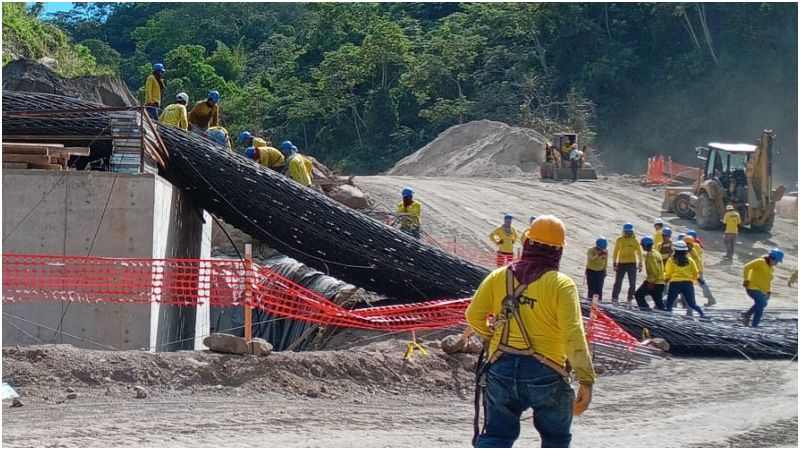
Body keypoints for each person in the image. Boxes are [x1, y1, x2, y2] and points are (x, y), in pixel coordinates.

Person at [466, 215, 595, 448]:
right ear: (558, 251)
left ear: (527, 243)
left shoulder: (499, 276)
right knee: (556, 439)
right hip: (547, 372)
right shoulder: (562, 285)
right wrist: (586, 379)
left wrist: (490, 337)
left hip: (501, 367)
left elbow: (473, 315)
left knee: (496, 436)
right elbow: (572, 334)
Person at [741, 248, 783, 327]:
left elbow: (767, 281)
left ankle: (753, 324)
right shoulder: (760, 261)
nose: (776, 263)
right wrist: (746, 279)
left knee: (761, 306)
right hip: (752, 288)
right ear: (771, 257)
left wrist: (768, 292)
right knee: (762, 303)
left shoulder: (771, 268)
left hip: (763, 291)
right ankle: (748, 317)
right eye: (776, 261)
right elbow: (746, 267)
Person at [664, 240, 704, 317]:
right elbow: (695, 274)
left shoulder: (671, 260)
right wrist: (700, 281)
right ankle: (702, 315)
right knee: (692, 304)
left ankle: (668, 319)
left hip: (675, 284)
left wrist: (664, 281)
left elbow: (668, 274)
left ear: (675, 250)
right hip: (687, 284)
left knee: (669, 304)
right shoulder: (690, 260)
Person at [611, 222, 642, 303]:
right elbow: (615, 252)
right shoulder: (619, 240)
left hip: (632, 264)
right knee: (618, 282)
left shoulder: (634, 241)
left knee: (632, 283)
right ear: (624, 231)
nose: (628, 233)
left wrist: (640, 263)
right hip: (621, 264)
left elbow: (639, 252)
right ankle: (614, 298)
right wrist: (614, 262)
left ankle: (629, 299)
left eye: (630, 232)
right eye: (627, 231)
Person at [634, 236, 665, 311]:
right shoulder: (656, 253)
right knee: (659, 303)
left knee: (638, 295)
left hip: (654, 282)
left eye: (642, 245)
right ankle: (666, 317)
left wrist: (651, 282)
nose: (642, 247)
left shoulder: (650, 255)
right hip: (660, 282)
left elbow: (655, 270)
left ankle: (646, 312)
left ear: (645, 245)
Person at [684, 235, 716, 307]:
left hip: (695, 271)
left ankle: (710, 299)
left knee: (698, 284)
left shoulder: (690, 250)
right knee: (701, 284)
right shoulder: (696, 247)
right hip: (698, 269)